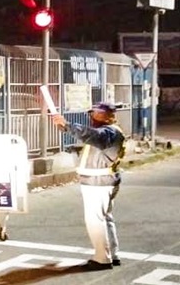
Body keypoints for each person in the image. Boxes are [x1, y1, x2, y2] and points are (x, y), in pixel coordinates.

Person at [51, 102, 127, 271]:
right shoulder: (109, 131)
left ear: (106, 116)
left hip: (98, 184)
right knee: (105, 219)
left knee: (95, 221)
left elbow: (92, 135)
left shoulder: (109, 132)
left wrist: (68, 125)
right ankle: (112, 255)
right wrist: (65, 127)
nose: (91, 116)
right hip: (103, 182)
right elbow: (90, 136)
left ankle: (102, 259)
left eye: (94, 113)